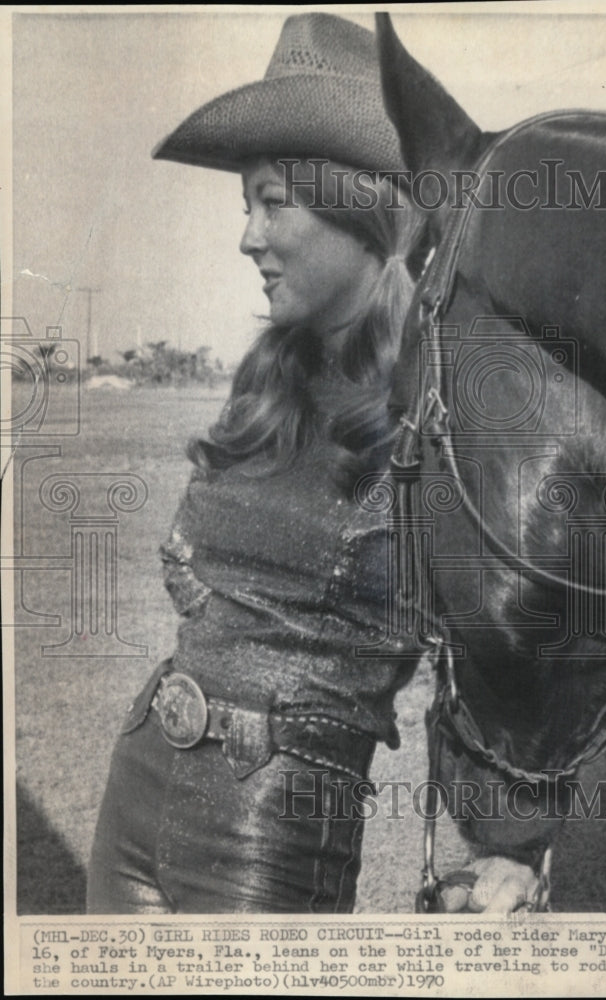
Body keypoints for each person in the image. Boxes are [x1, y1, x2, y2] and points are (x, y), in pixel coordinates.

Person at [86, 12, 424, 914]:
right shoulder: (267, 376)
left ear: (361, 213)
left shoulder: (440, 409)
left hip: (276, 824)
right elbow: (186, 559)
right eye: (247, 204)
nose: (248, 235)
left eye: (274, 200)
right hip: (140, 777)